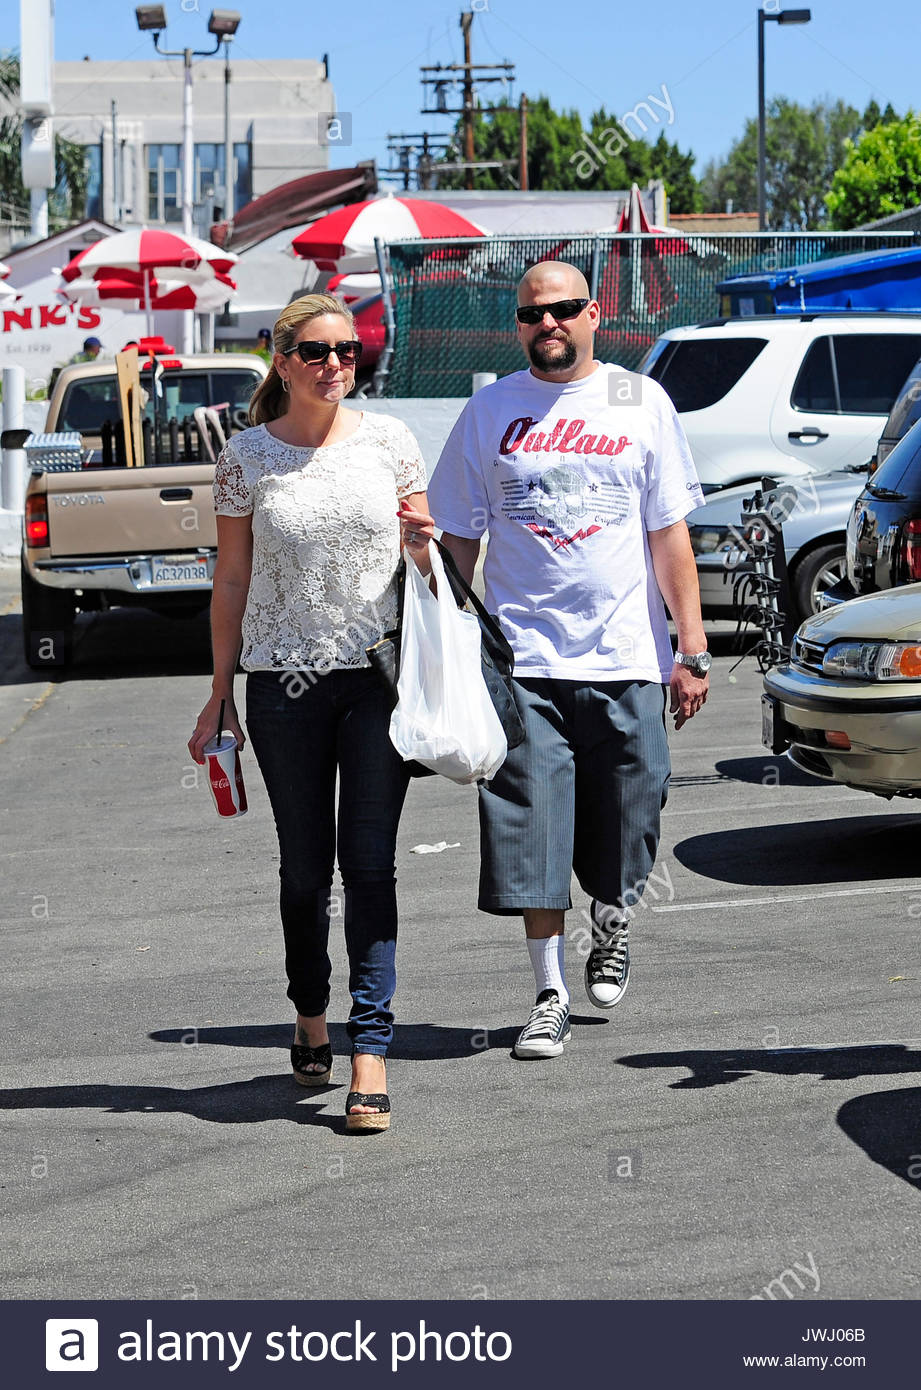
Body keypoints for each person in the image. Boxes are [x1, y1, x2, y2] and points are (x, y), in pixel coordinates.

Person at [406, 260, 710, 1060]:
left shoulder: (639, 402)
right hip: (521, 661)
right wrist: (438, 638)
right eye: (531, 314)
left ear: (593, 314)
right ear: (518, 324)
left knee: (632, 815)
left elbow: (667, 534)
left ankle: (610, 925)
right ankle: (547, 995)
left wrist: (693, 648)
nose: (547, 324)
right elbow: (459, 537)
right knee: (527, 831)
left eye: (563, 309)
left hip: (625, 655)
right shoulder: (490, 411)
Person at [188, 293, 432, 1130]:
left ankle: (370, 1053)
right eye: (319, 351)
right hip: (281, 686)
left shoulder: (392, 443)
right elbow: (230, 581)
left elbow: (425, 564)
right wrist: (219, 693)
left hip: (376, 679)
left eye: (350, 351)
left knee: (370, 866)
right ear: (283, 360)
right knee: (304, 871)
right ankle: (308, 1010)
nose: (337, 365)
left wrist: (427, 543)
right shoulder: (246, 457)